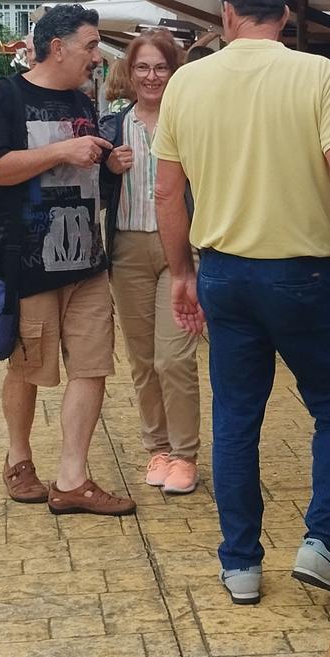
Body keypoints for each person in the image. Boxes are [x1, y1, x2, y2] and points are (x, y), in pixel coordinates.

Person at [154, 0, 330, 605]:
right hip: (303, 271)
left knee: (236, 417)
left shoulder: (187, 82)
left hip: (223, 270)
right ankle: (324, 543)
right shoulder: (318, 74)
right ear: (284, 17)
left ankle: (241, 564)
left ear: (226, 15)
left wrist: (182, 272)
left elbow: (167, 191)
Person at [0, 3, 132, 517]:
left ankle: (72, 478)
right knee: (27, 368)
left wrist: (110, 163)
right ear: (57, 46)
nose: (97, 56)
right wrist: (62, 152)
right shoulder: (5, 97)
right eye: (90, 44)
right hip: (25, 263)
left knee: (92, 366)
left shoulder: (83, 101)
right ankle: (19, 460)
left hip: (86, 260)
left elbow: (87, 175)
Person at [99, 28, 200, 496]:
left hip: (180, 248)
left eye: (160, 67)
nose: (151, 76)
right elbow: (94, 189)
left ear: (174, 71)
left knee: (174, 357)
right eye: (142, 67)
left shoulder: (190, 120)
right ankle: (156, 448)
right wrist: (107, 168)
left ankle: (185, 454)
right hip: (127, 249)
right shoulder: (113, 125)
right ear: (129, 72)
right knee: (142, 360)